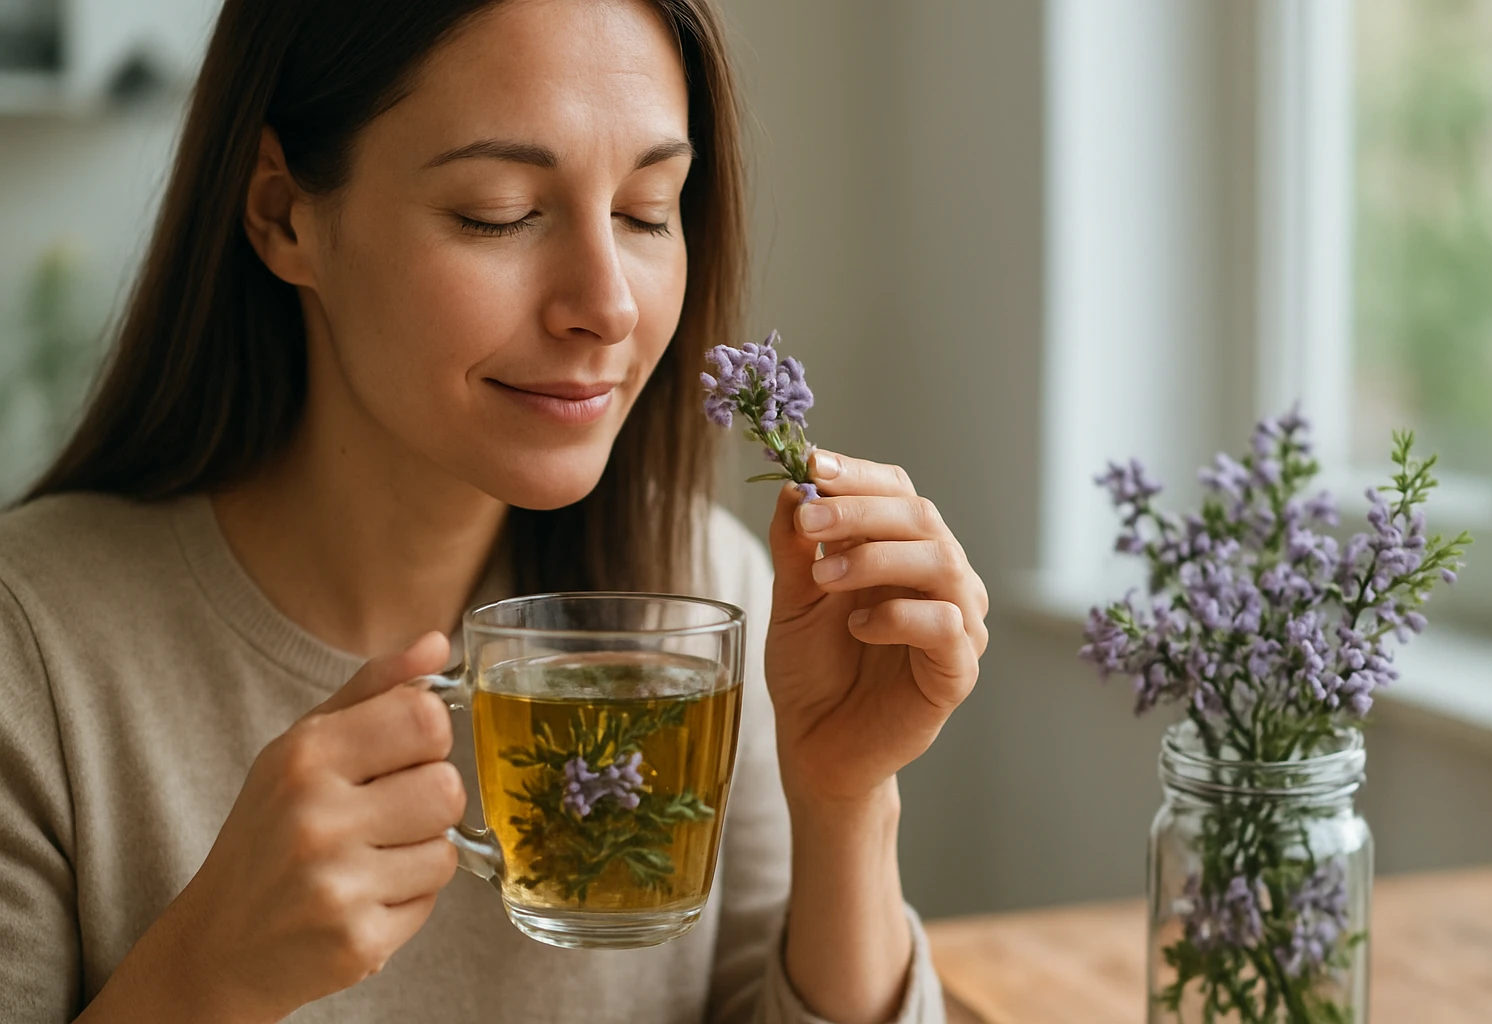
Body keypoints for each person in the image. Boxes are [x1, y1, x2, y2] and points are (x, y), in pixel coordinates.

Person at [0, 1, 989, 1021]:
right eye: (500, 211)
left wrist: (844, 800)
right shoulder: (30, 658)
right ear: (283, 211)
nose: (606, 305)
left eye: (649, 210)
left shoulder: (708, 597)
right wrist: (204, 976)